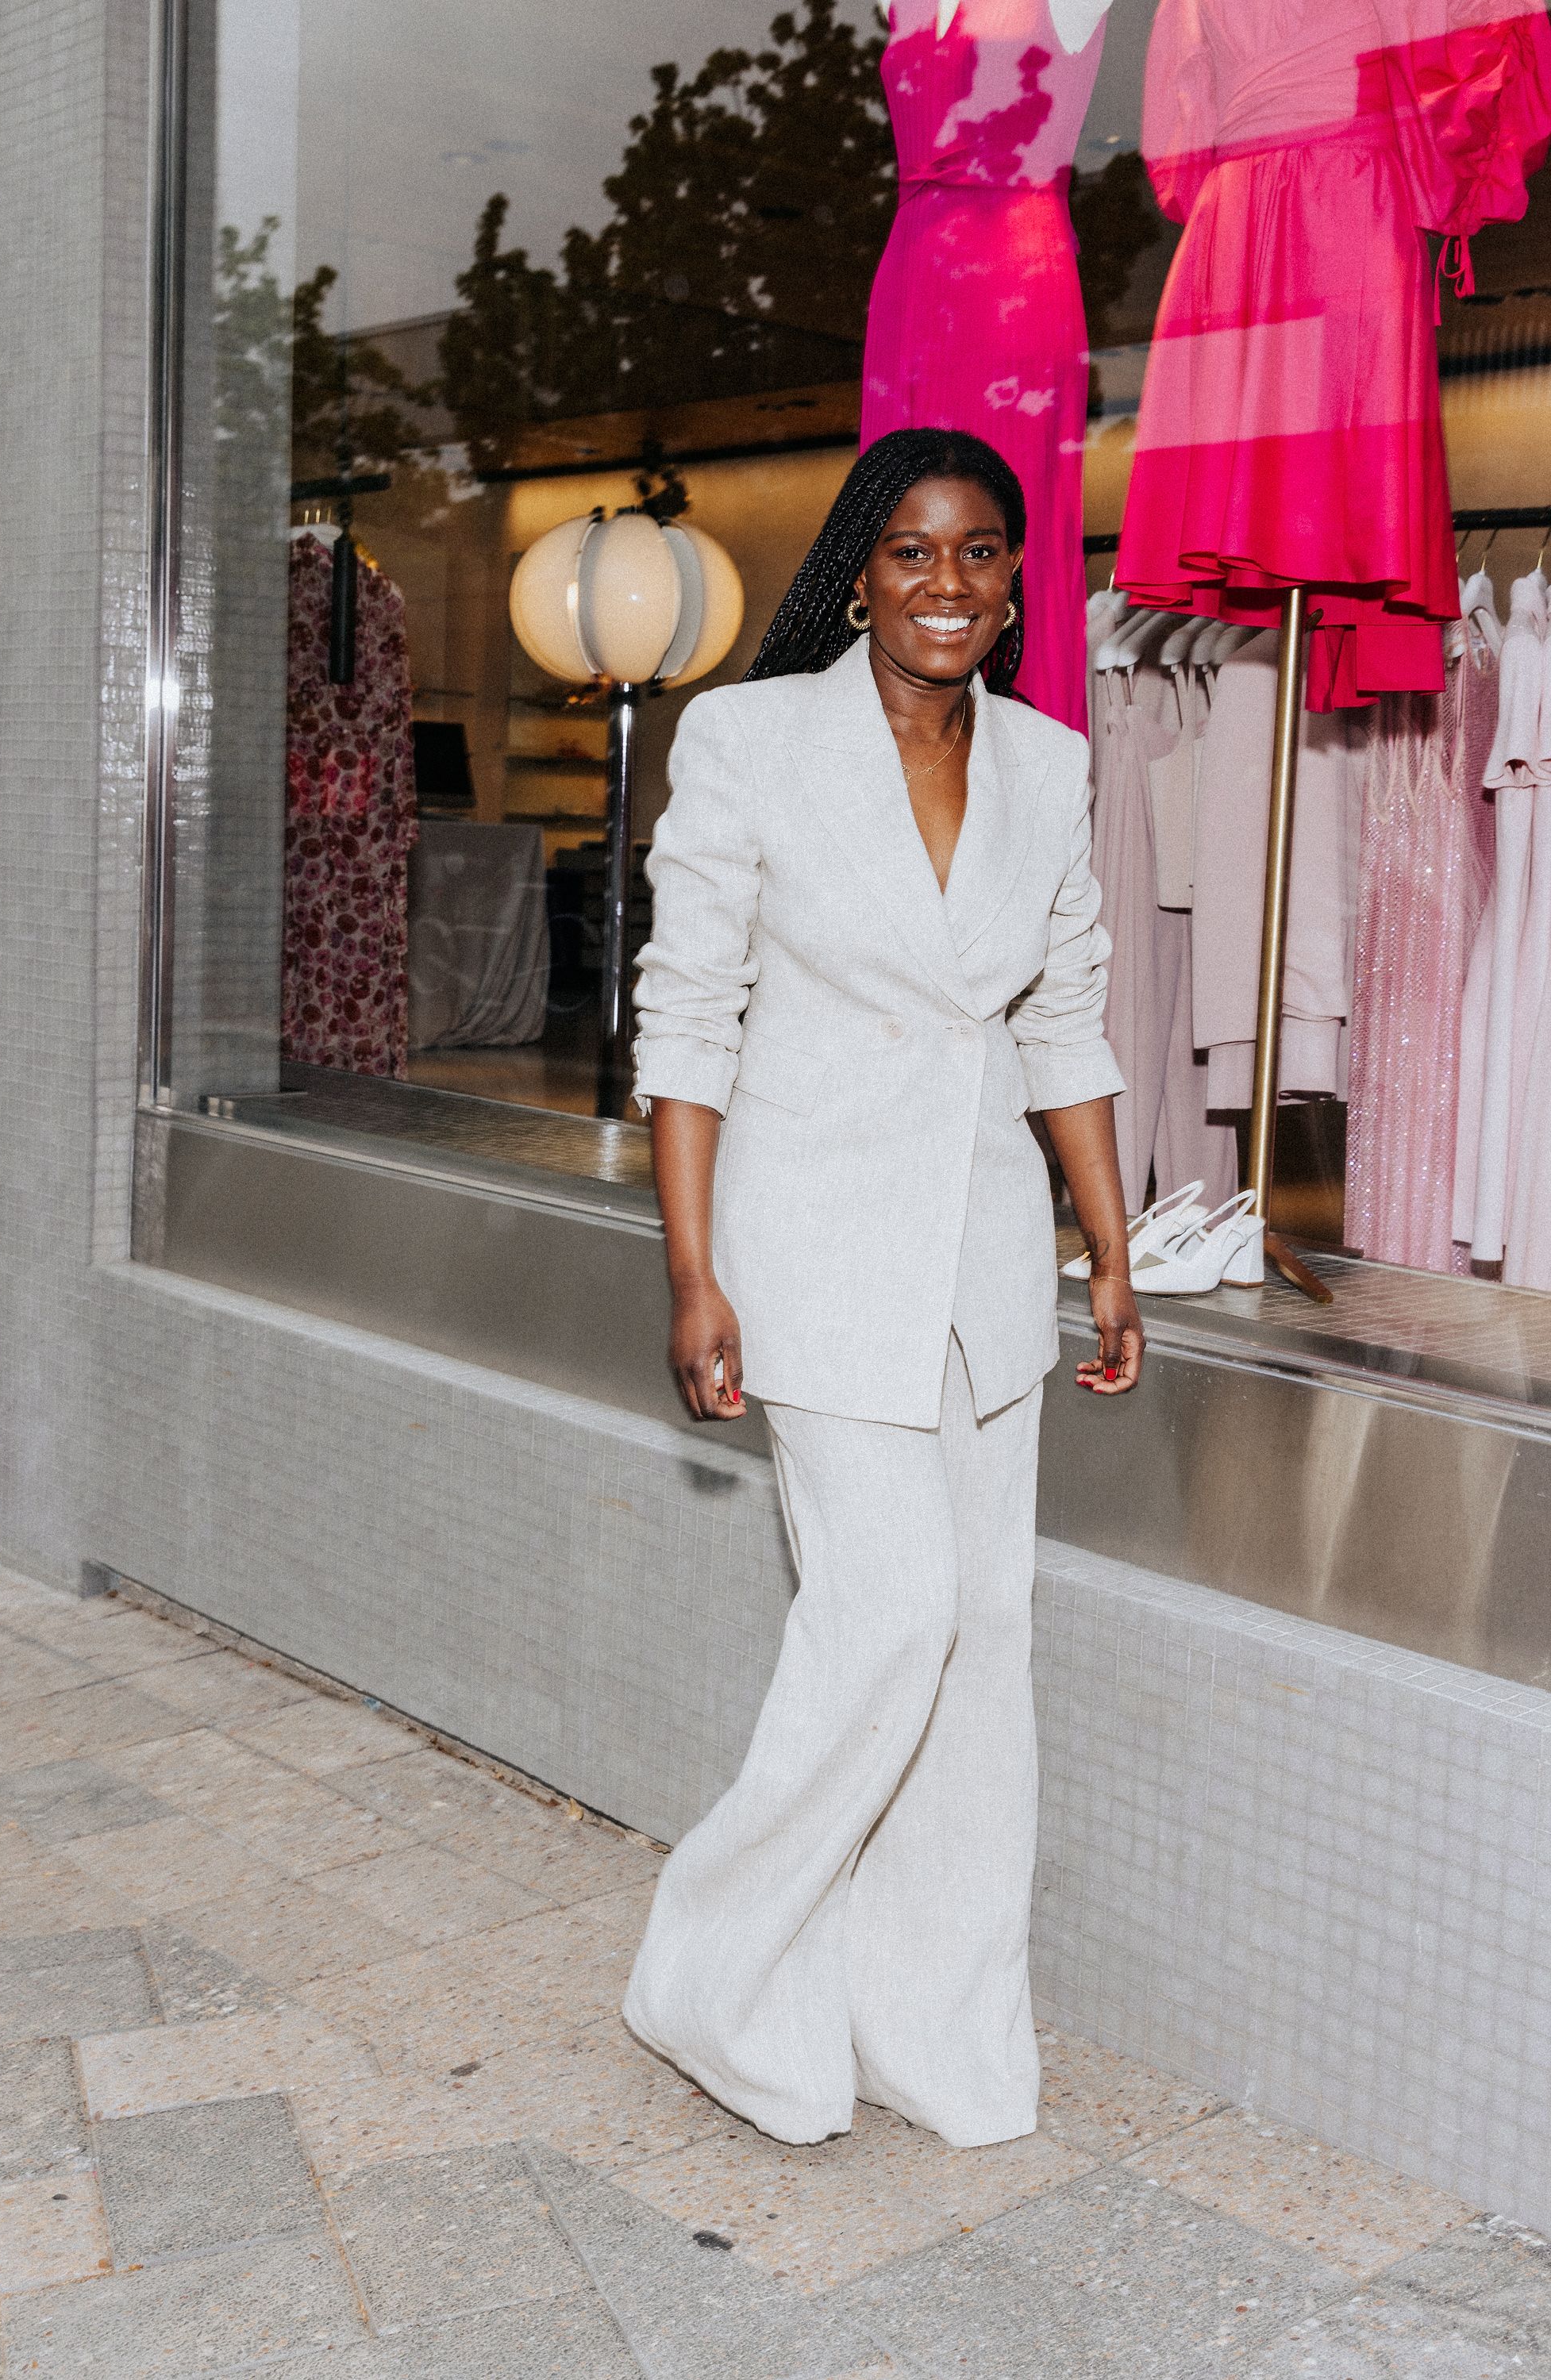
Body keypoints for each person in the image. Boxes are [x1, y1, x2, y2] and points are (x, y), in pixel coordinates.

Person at [622, 427, 1143, 2150]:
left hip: (984, 1269)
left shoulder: (1050, 765)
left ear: (1016, 580)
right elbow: (688, 1018)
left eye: (979, 552)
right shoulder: (753, 739)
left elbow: (1064, 1018)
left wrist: (1109, 1249)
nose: (946, 583)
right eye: (912, 551)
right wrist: (693, 1272)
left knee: (982, 1645)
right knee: (890, 1618)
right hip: (811, 1255)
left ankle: (931, 2028)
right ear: (859, 572)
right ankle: (715, 1980)